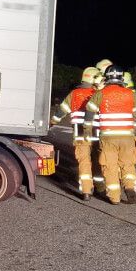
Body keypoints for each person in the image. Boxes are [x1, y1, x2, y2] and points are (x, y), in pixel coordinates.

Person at [83, 65, 136, 204]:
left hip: (108, 137)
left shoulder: (100, 94)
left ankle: (115, 197)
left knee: (110, 166)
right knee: (127, 164)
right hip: (127, 136)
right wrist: (134, 128)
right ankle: (130, 188)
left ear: (107, 78)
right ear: (121, 78)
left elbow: (89, 113)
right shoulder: (130, 93)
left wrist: (86, 131)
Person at [55, 67, 100, 199]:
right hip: (96, 133)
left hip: (80, 133)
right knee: (97, 161)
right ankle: (100, 188)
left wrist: (52, 122)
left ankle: (86, 191)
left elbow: (61, 111)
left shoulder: (74, 94)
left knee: (84, 161)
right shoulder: (98, 93)